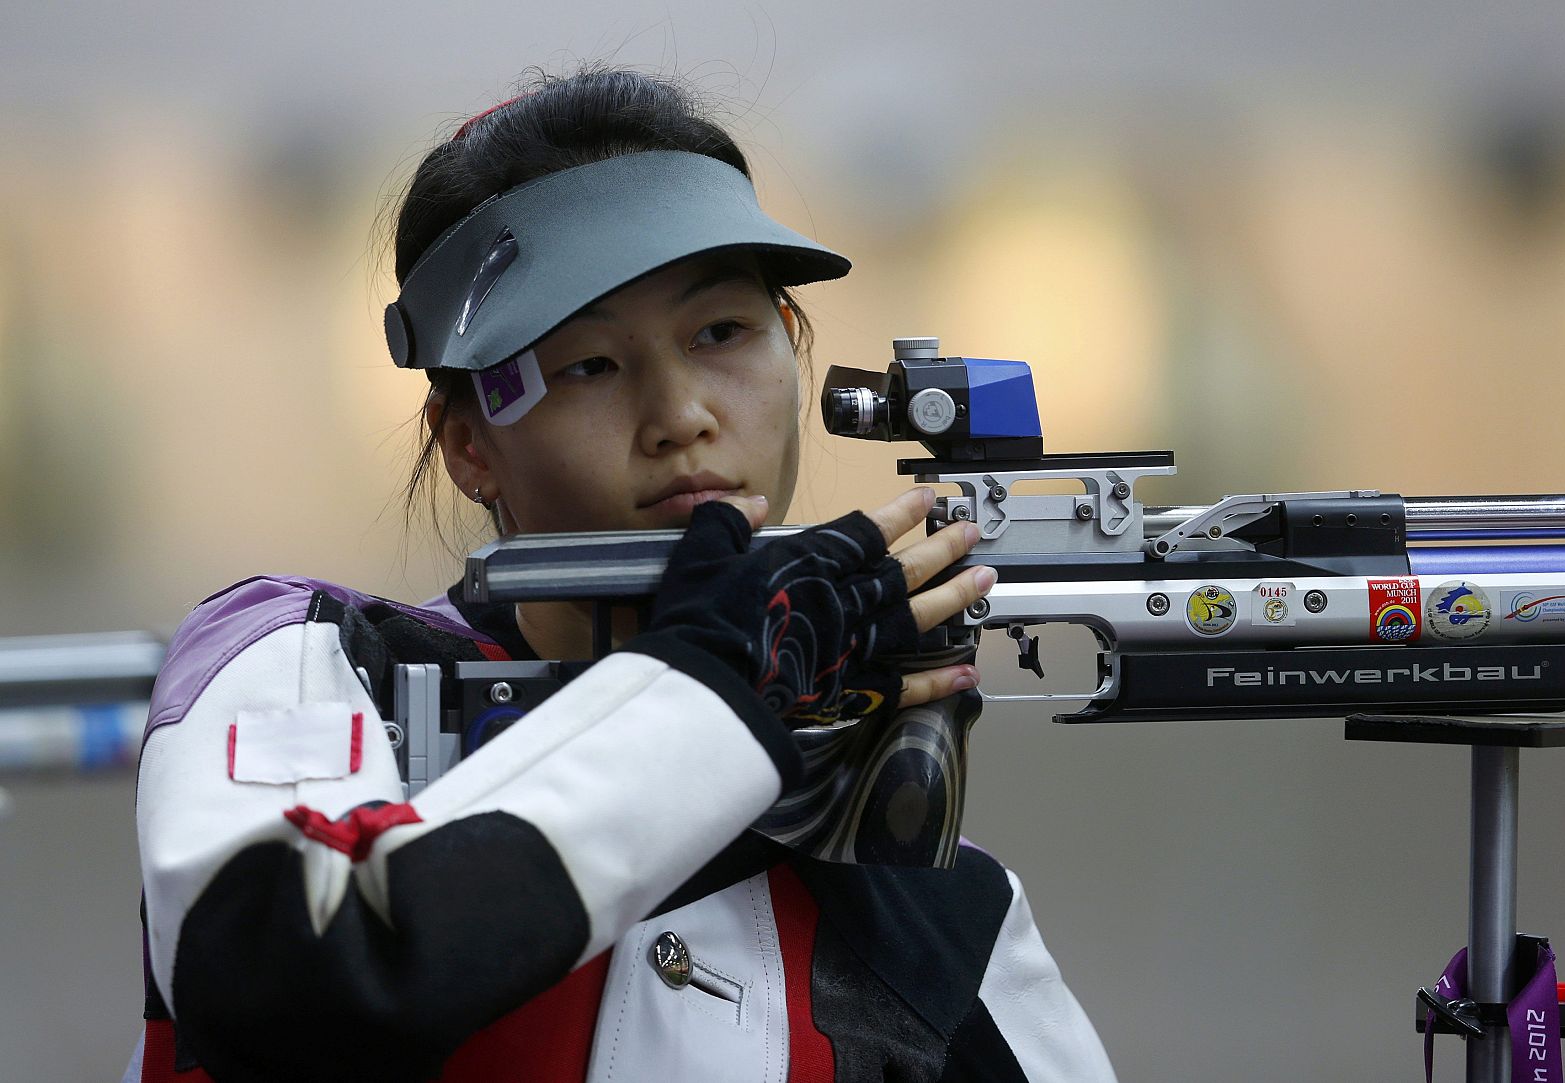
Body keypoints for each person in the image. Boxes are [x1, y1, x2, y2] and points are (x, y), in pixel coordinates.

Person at [128, 67, 1118, 1083]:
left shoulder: (935, 922)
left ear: (796, 349)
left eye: (721, 333)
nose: (681, 412)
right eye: (588, 365)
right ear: (468, 443)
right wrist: (706, 694)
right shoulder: (301, 655)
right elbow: (279, 984)